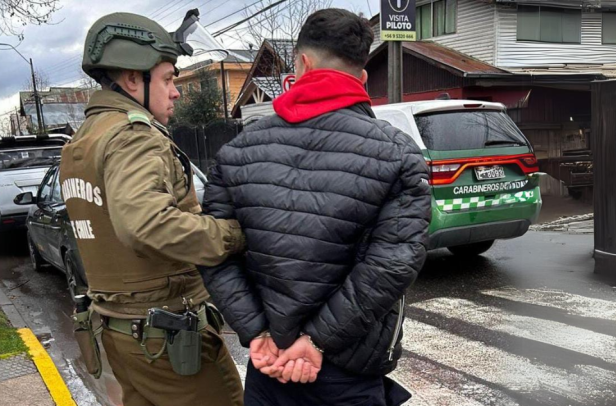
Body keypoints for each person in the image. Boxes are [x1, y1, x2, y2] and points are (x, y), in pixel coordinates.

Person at [198, 8, 431, 406]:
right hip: (350, 366)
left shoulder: (237, 151)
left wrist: (259, 334)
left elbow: (214, 252)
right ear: (362, 78)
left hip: (268, 361)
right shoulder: (399, 154)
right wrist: (315, 342)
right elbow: (392, 265)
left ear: (302, 63)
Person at [59, 12, 246, 406]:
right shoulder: (132, 137)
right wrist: (232, 234)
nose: (175, 91)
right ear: (132, 79)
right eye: (167, 79)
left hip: (119, 332)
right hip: (168, 340)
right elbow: (145, 225)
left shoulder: (83, 141)